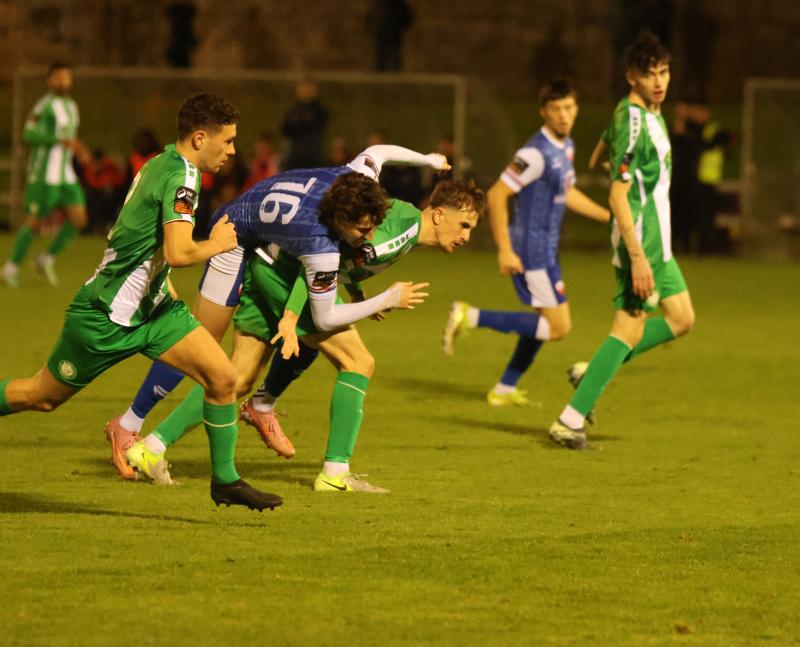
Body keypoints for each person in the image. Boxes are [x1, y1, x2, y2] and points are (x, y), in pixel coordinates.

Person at [0, 93, 283, 511]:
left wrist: (159, 282)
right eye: (227, 141)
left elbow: (143, 241)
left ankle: (225, 481)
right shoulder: (182, 177)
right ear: (201, 138)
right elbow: (178, 252)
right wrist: (218, 243)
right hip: (105, 316)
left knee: (223, 379)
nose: (233, 150)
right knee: (41, 397)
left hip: (154, 309)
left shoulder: (163, 161)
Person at [103, 143, 450, 480]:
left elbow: (378, 152)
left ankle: (151, 447)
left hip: (264, 254)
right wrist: (385, 299)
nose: (368, 236)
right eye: (363, 229)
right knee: (203, 342)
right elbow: (326, 310)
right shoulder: (322, 245)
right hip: (235, 239)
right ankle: (334, 472)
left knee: (233, 377)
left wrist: (429, 160)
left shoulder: (355, 180)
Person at [548, 33, 695, 450]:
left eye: (663, 72)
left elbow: (600, 156)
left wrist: (608, 154)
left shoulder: (650, 112)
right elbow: (616, 194)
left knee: (682, 319)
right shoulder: (633, 120)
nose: (659, 81)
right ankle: (568, 421)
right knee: (628, 331)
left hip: (658, 244)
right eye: (649, 75)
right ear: (631, 77)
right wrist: (638, 258)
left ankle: (593, 368)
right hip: (641, 243)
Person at [441, 78, 610, 406]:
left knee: (543, 323)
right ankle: (470, 316)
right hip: (530, 251)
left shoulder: (566, 147)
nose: (564, 115)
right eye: (557, 108)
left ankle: (504, 388)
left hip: (545, 250)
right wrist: (505, 249)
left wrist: (608, 217)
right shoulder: (535, 153)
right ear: (544, 112)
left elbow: (567, 192)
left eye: (570, 107)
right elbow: (497, 194)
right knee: (559, 327)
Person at [3, 62, 89, 288]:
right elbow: (28, 133)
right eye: (58, 77)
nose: (63, 82)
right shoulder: (44, 105)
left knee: (79, 218)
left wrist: (78, 148)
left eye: (66, 77)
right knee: (35, 222)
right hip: (44, 174)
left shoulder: (71, 105)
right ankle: (10, 268)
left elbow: (69, 137)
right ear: (49, 80)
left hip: (65, 174)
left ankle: (45, 259)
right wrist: (58, 141)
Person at [281, 79, 328, 170]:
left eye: (309, 89)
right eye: (303, 89)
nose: (305, 92)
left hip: (313, 158)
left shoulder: (319, 110)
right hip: (295, 157)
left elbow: (314, 123)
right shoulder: (293, 110)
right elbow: (285, 129)